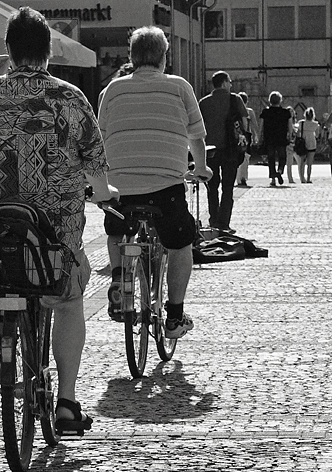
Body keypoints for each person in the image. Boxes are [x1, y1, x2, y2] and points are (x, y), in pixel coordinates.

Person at [0, 6, 118, 435]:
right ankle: (65, 403)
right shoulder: (70, 97)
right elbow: (95, 162)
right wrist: (104, 196)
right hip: (54, 231)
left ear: (9, 51)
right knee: (68, 300)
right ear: (49, 52)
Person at [97, 25, 211, 337]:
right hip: (166, 190)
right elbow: (196, 137)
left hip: (119, 190)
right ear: (163, 57)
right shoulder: (179, 86)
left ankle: (120, 277)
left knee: (116, 229)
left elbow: (100, 139)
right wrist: (200, 167)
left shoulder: (112, 90)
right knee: (180, 243)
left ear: (131, 58)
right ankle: (174, 316)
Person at [198, 71, 248, 230]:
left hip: (210, 151)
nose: (231, 84)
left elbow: (198, 127)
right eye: (230, 81)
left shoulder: (204, 102)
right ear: (225, 82)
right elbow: (244, 124)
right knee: (228, 188)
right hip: (230, 149)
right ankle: (224, 223)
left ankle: (213, 220)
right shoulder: (235, 99)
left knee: (212, 187)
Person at [259, 91, 294, 187]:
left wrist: (258, 137)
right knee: (282, 157)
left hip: (269, 138)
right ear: (280, 100)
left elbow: (261, 126)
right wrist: (290, 136)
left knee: (271, 158)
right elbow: (290, 126)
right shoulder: (285, 112)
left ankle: (273, 179)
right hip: (281, 138)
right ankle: (280, 171)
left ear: (270, 101)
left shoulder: (265, 112)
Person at [236, 91, 258, 187]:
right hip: (247, 135)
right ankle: (243, 177)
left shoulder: (234, 111)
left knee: (237, 156)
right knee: (246, 156)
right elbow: (254, 125)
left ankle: (238, 178)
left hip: (236, 135)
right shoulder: (249, 111)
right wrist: (256, 135)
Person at [295, 107, 320, 183]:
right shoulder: (316, 124)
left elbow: (298, 133)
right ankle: (308, 178)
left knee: (302, 162)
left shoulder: (301, 123)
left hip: (303, 143)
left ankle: (302, 178)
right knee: (310, 163)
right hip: (312, 143)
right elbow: (317, 135)